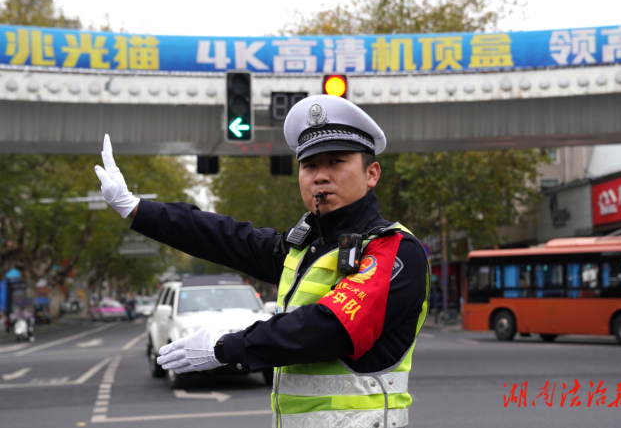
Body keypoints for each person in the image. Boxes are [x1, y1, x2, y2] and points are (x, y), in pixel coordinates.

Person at [94, 94, 429, 428]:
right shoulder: (304, 247)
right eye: (310, 165)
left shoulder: (394, 249)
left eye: (336, 162)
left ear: (372, 174)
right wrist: (136, 208)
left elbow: (328, 329)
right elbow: (228, 238)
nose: (320, 176)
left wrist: (224, 347)